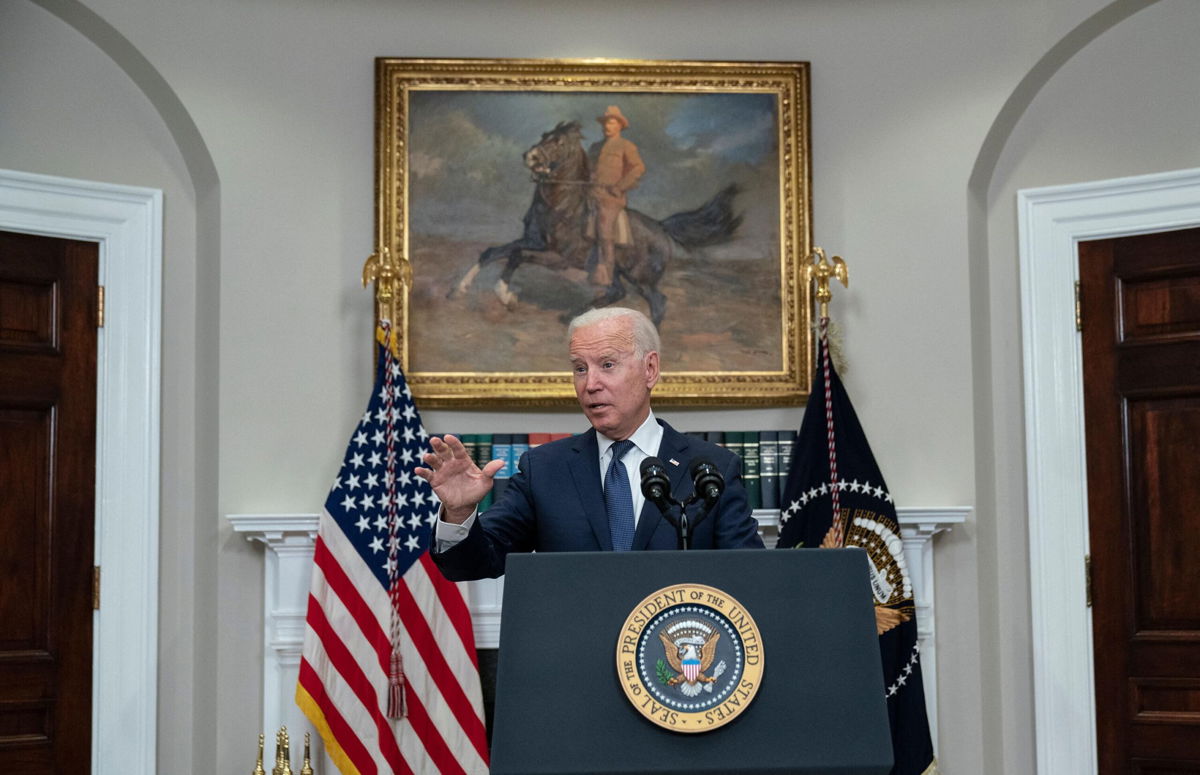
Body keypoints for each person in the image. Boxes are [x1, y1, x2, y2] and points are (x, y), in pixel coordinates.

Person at [417, 307, 764, 582]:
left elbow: (753, 578)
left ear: (650, 369)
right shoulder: (545, 469)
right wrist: (459, 513)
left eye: (607, 365)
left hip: (678, 663)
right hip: (576, 661)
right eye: (580, 369)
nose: (590, 384)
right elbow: (473, 564)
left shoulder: (711, 468)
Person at [587, 105, 645, 289]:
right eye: (605, 123)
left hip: (611, 199)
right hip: (591, 194)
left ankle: (606, 275)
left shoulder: (626, 146)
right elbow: (588, 170)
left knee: (604, 231)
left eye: (611, 123)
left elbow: (638, 168)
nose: (607, 126)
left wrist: (620, 187)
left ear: (620, 125)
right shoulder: (595, 147)